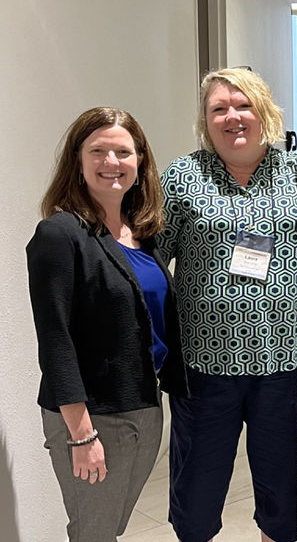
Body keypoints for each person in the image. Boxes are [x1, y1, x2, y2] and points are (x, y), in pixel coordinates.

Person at [26, 107, 189, 541]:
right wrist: (81, 435)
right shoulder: (60, 235)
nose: (111, 162)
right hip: (93, 416)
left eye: (122, 151)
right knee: (94, 532)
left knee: (109, 527)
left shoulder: (141, 235)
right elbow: (55, 338)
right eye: (98, 151)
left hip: (143, 403)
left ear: (140, 161)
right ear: (77, 161)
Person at [159, 68, 297, 542]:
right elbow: (153, 259)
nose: (232, 117)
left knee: (283, 491)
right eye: (219, 109)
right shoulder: (181, 178)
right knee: (197, 492)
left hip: (282, 362)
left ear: (265, 112)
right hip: (203, 365)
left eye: (243, 106)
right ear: (205, 120)